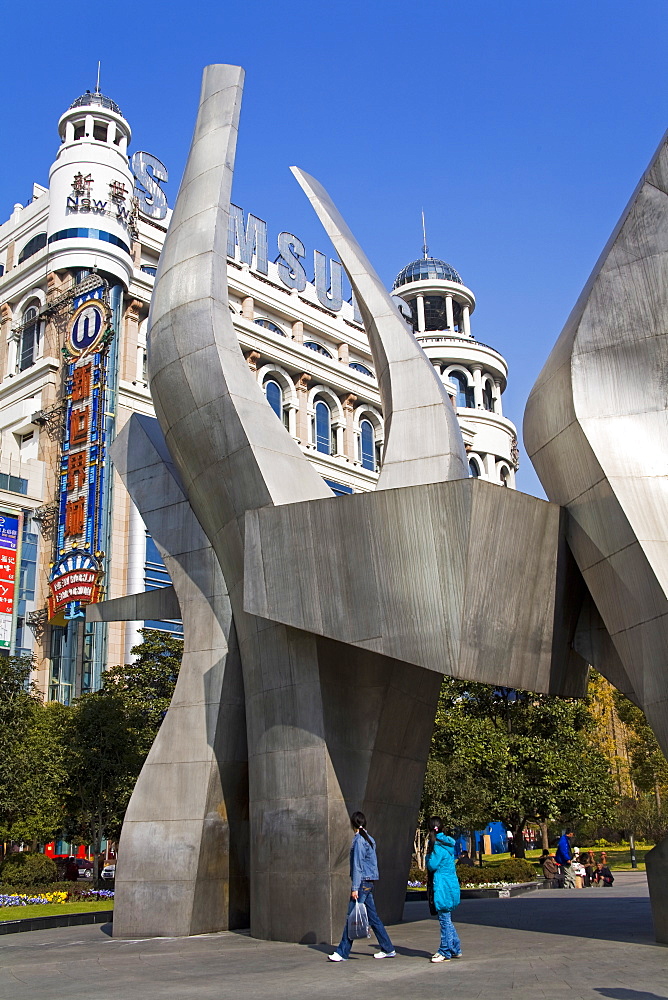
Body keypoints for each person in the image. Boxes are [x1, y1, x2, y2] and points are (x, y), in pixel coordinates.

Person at [328, 811, 396, 962]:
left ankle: (342, 952)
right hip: (369, 882)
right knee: (373, 918)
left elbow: (358, 866)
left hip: (362, 883)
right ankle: (388, 948)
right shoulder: (369, 839)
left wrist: (354, 888)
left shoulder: (359, 840)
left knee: (352, 916)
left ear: (353, 824)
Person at [425, 817, 462, 963]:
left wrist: (427, 856)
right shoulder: (447, 843)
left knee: (444, 920)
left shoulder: (437, 847)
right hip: (450, 884)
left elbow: (432, 865)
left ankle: (444, 950)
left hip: (442, 886)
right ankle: (455, 948)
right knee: (447, 918)